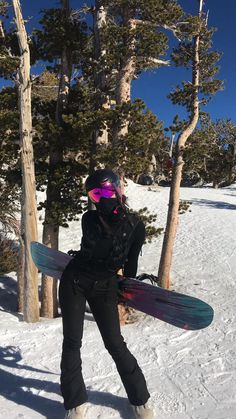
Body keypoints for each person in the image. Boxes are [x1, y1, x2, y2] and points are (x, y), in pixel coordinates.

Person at [59, 169, 154, 419]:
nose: (102, 197)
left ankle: (140, 400)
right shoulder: (88, 219)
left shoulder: (136, 225)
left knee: (114, 343)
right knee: (71, 342)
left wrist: (127, 287)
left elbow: (130, 266)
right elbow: (90, 250)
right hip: (74, 282)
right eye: (95, 193)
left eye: (106, 191)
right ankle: (74, 403)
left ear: (118, 190)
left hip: (105, 287)